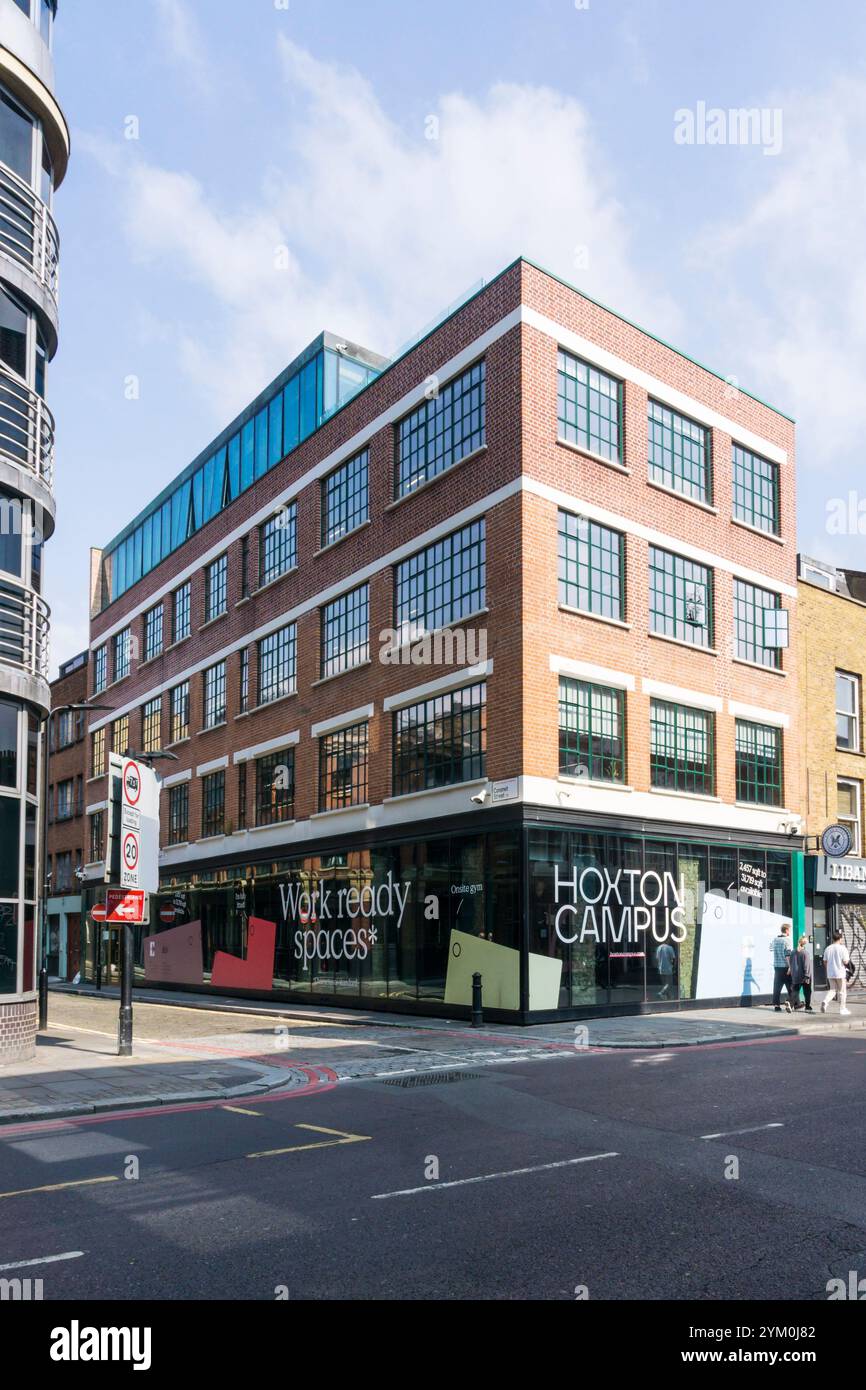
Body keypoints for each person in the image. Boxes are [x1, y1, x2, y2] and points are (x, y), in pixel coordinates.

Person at [821, 928, 851, 1016]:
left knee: (832, 990)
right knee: (842, 991)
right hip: (840, 973)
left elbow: (825, 961)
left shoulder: (828, 948)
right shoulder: (843, 948)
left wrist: (828, 969)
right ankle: (842, 1009)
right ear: (840, 938)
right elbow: (846, 962)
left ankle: (825, 1001)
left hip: (830, 973)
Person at [770, 922, 794, 1012]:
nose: (790, 932)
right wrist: (790, 967)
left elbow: (771, 948)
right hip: (785, 966)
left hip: (777, 966)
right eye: (789, 930)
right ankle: (791, 1003)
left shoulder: (775, 939)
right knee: (791, 986)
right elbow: (788, 954)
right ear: (786, 930)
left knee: (777, 986)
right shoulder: (787, 940)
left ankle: (776, 1005)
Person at [789, 936, 814, 1013]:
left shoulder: (793, 952)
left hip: (795, 975)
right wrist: (807, 975)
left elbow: (790, 963)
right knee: (807, 991)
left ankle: (790, 1003)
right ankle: (807, 1007)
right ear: (805, 943)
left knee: (796, 990)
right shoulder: (805, 953)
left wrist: (792, 973)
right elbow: (807, 965)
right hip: (804, 976)